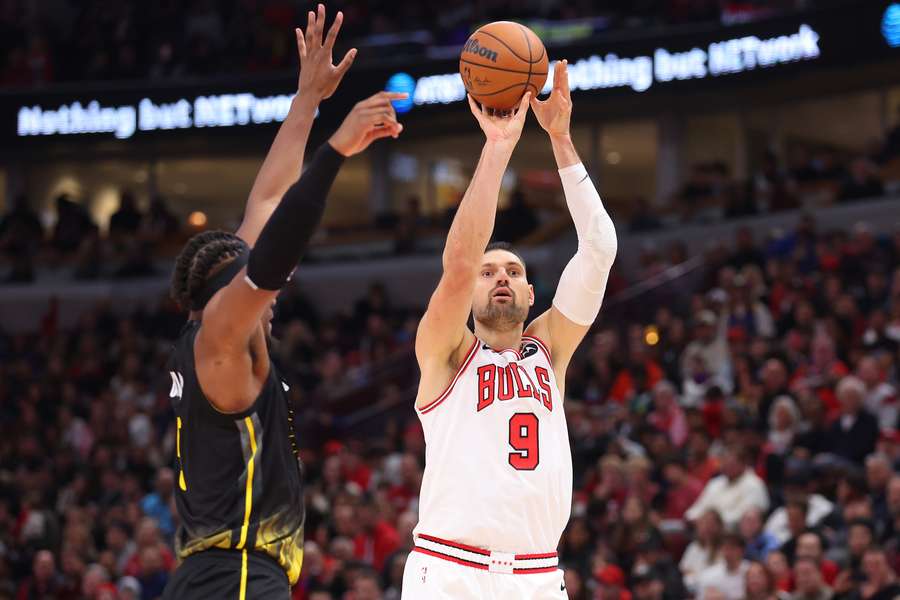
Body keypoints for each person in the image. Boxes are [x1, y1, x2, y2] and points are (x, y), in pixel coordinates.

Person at [161, 7, 405, 599]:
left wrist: (306, 101)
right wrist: (335, 153)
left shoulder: (213, 329)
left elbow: (268, 200)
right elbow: (271, 256)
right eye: (252, 283)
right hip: (234, 578)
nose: (274, 294)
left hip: (223, 575)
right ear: (225, 292)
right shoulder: (218, 337)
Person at [402, 61, 618, 599]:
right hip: (451, 572)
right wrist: (497, 149)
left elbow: (600, 249)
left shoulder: (551, 349)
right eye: (489, 271)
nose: (501, 277)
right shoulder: (445, 352)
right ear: (470, 295)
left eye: (514, 272)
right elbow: (458, 262)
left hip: (538, 576)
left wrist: (562, 141)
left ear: (530, 296)